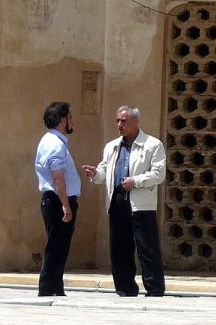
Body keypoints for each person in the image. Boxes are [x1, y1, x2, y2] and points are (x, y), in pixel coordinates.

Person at [82, 105, 166, 297]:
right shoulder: (112, 146)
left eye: (124, 121)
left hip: (140, 204)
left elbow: (158, 174)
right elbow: (105, 170)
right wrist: (95, 173)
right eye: (118, 121)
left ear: (135, 121)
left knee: (147, 248)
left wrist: (135, 181)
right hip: (117, 201)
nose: (119, 125)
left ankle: (154, 288)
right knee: (120, 248)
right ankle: (125, 288)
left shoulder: (153, 145)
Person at [34, 102, 81, 297]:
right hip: (57, 201)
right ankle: (47, 289)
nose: (71, 121)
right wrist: (66, 205)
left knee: (59, 247)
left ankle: (55, 288)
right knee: (55, 247)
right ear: (63, 120)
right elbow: (58, 178)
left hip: (55, 200)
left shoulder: (53, 140)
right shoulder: (54, 143)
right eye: (69, 117)